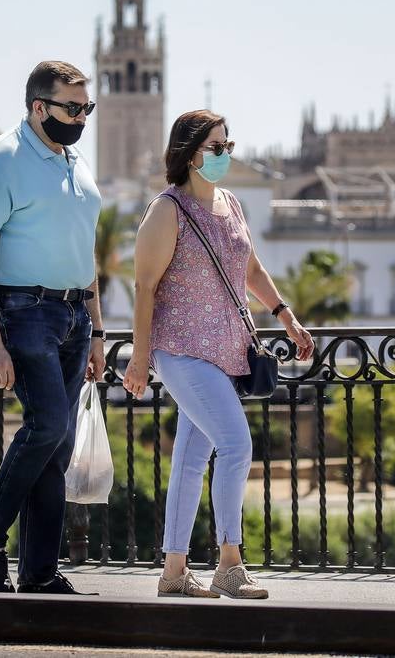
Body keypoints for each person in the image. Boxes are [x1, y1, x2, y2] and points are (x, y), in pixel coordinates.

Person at [123, 109, 313, 598]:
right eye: (216, 147)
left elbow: (249, 267)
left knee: (191, 460)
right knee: (236, 444)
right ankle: (230, 563)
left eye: (228, 146)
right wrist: (140, 360)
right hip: (181, 351)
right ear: (189, 154)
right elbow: (144, 287)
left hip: (226, 352)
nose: (226, 155)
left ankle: (173, 572)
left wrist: (284, 313)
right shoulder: (167, 210)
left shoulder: (230, 203)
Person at [0, 60, 106, 595]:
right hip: (23, 311)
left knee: (59, 443)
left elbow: (83, 251)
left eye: (86, 108)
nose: (81, 118)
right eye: (72, 108)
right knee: (46, 426)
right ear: (38, 107)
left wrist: (96, 330)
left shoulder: (77, 162)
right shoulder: (2, 160)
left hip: (73, 315)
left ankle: (40, 572)